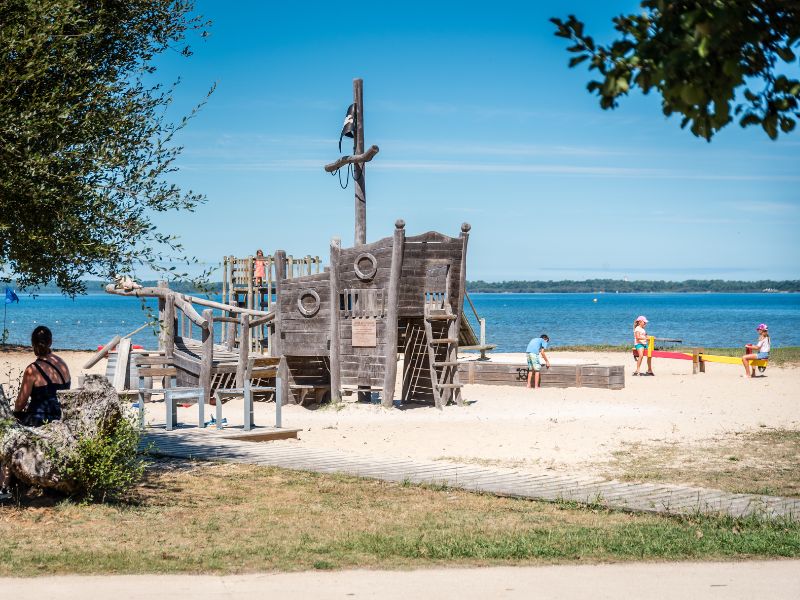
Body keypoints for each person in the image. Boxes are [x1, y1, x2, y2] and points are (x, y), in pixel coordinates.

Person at [0, 326, 71, 500]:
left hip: (39, 420)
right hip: (59, 418)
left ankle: (3, 487)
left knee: (8, 438)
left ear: (32, 344)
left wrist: (17, 413)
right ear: (51, 342)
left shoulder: (32, 370)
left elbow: (20, 404)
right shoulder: (62, 364)